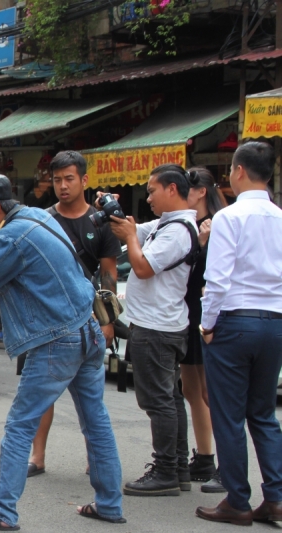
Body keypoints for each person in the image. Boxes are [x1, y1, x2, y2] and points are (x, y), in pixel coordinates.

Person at [0, 174, 124, 530]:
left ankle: (2, 512)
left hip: (57, 340)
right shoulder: (37, 217)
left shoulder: (12, 236)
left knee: (19, 425)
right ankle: (110, 504)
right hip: (85, 328)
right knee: (96, 421)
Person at [195, 142, 282, 526]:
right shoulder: (280, 217)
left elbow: (217, 280)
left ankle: (238, 499)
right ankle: (276, 497)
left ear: (239, 171)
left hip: (234, 320)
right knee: (263, 414)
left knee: (228, 415)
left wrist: (208, 324)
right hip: (274, 321)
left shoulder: (230, 217)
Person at [26, 151, 121, 478]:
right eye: (57, 180)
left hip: (87, 321)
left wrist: (107, 321)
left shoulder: (100, 223)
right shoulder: (41, 219)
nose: (63, 186)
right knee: (40, 392)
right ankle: (37, 457)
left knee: (90, 400)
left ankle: (95, 458)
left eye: (69, 179)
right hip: (45, 318)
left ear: (84, 180)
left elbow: (108, 276)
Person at [108, 164, 199, 497]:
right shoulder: (167, 224)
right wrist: (112, 211)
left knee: (158, 401)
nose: (147, 198)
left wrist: (131, 237)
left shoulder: (178, 230)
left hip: (159, 327)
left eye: (151, 190)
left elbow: (143, 267)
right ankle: (177, 470)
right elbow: (131, 229)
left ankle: (165, 471)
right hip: (159, 324)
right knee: (170, 399)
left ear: (171, 189)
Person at [178, 168, 226, 493]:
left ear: (202, 192)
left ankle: (228, 462)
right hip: (187, 312)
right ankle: (205, 456)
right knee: (191, 390)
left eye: (188, 190)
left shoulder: (221, 225)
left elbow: (216, 275)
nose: (184, 195)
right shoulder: (188, 225)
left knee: (214, 393)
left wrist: (205, 242)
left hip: (209, 314)